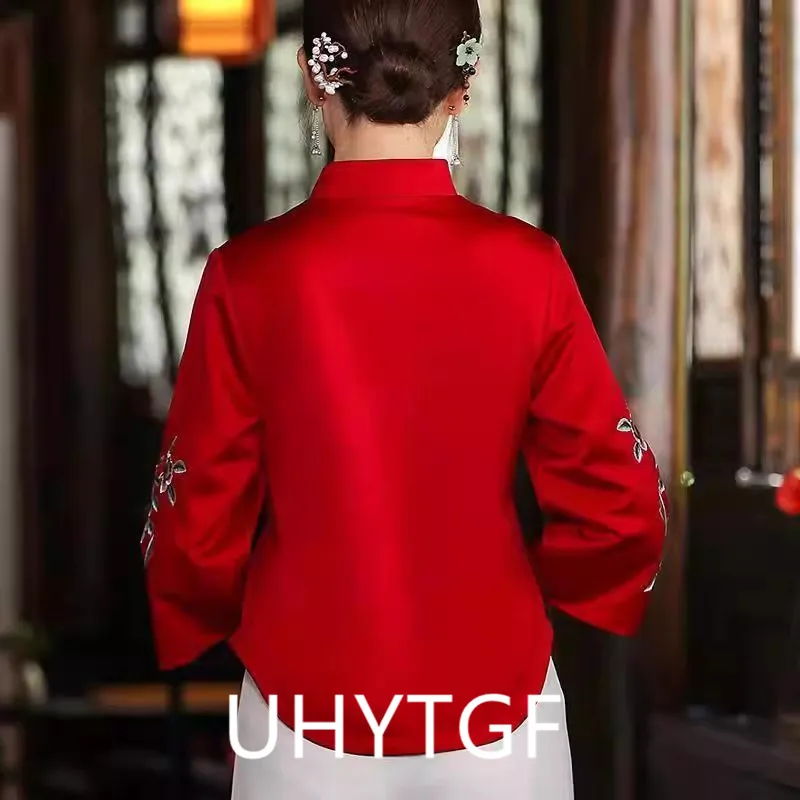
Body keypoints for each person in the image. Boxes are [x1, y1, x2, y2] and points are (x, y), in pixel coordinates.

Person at [141, 0, 668, 797]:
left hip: (301, 708)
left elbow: (195, 520)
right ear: (463, 88)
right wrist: (547, 587)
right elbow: (619, 503)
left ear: (312, 77)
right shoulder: (528, 268)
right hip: (499, 702)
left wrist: (198, 607)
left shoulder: (248, 276)